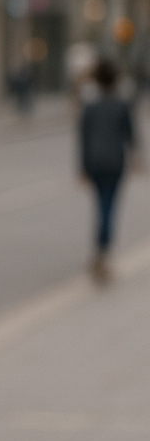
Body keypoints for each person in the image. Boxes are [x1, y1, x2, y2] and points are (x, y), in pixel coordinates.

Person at [79, 56, 136, 282]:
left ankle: (100, 252)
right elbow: (130, 134)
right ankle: (103, 252)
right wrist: (137, 157)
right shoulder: (121, 104)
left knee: (101, 204)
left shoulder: (90, 106)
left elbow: (83, 137)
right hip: (115, 162)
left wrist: (82, 166)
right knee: (108, 206)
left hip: (94, 161)